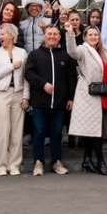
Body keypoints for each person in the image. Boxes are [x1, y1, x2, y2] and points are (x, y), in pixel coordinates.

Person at [65, 22, 107, 176]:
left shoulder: (104, 52)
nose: (94, 37)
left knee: (93, 130)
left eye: (96, 34)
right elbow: (72, 52)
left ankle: (87, 160)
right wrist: (69, 34)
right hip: (88, 95)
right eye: (90, 35)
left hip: (103, 93)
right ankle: (100, 162)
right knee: (95, 131)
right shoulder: (83, 49)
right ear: (85, 37)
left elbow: (105, 70)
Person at [24, 24, 77, 176]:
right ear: (44, 36)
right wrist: (43, 84)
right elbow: (28, 73)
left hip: (59, 103)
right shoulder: (34, 55)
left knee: (56, 133)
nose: (52, 36)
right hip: (39, 102)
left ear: (60, 37)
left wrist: (70, 98)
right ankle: (38, 162)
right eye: (49, 34)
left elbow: (71, 78)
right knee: (39, 132)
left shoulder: (65, 56)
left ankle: (56, 162)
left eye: (55, 34)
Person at [0, 23, 29, 176]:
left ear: (11, 36)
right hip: (1, 93)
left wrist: (26, 96)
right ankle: (0, 165)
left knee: (17, 131)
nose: (0, 37)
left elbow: (26, 77)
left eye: (2, 34)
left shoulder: (22, 52)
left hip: (18, 93)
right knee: (1, 130)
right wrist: (11, 66)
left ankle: (14, 165)